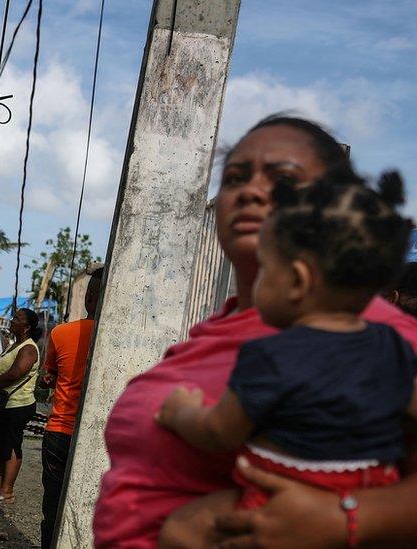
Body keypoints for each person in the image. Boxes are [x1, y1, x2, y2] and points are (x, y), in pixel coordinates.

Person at [92, 115, 417, 548]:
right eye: (235, 178)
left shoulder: (381, 333)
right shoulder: (213, 332)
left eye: (283, 179)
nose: (250, 190)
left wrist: (347, 519)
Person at [156, 172, 414, 545]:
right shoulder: (394, 346)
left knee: (180, 530)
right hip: (371, 495)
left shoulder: (271, 355)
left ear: (296, 280)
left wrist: (180, 412)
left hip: (275, 499)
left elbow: (219, 432)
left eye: (265, 268)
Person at [38, 267, 103, 548]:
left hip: (59, 431)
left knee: (53, 504)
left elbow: (47, 376)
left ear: (88, 298)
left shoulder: (60, 333)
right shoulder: (114, 340)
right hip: (98, 435)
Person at [0, 308, 41, 503]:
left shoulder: (29, 348)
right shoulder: (14, 346)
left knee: (12, 445)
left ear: (27, 327)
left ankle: (7, 489)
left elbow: (15, 373)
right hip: (2, 405)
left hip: (17, 404)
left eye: (17, 319)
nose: (12, 321)